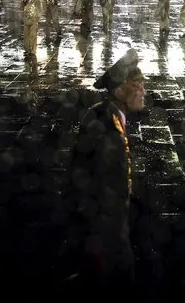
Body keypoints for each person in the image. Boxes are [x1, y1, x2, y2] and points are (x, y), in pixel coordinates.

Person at [68, 48, 146, 296]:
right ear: (120, 89)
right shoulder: (107, 126)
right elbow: (105, 182)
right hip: (105, 224)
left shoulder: (106, 112)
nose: (143, 91)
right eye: (137, 85)